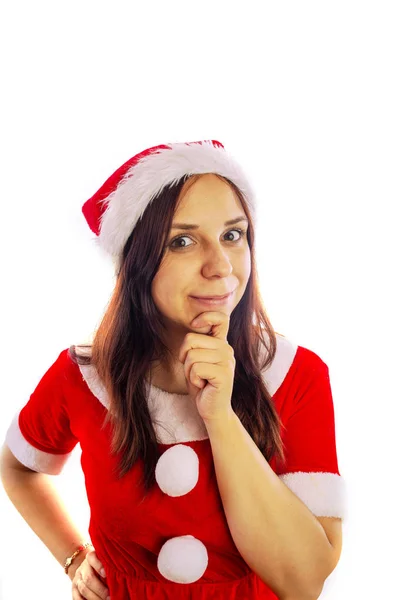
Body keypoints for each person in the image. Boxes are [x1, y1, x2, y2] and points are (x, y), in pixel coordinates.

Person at [0, 139, 347, 600]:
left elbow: (303, 582)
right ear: (137, 259)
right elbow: (18, 467)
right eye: (183, 241)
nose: (221, 266)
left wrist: (220, 417)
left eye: (233, 234)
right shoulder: (83, 377)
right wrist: (73, 557)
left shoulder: (294, 376)